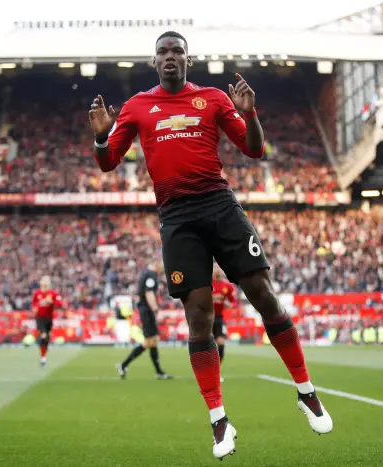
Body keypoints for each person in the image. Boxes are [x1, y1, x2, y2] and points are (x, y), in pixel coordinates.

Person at [88, 31, 333, 460]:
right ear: (154, 61)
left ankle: (306, 390)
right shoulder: (137, 108)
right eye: (163, 52)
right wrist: (101, 138)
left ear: (187, 59)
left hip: (220, 207)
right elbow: (109, 164)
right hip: (177, 219)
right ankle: (219, 421)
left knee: (264, 296)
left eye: (177, 51)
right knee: (199, 317)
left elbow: (254, 149)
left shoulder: (214, 98)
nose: (170, 57)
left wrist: (250, 113)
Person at [116, 261, 173, 380]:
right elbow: (149, 293)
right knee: (149, 341)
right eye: (162, 269)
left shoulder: (145, 274)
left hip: (145, 309)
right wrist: (155, 309)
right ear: (157, 265)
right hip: (147, 310)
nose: (161, 272)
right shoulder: (151, 275)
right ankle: (123, 365)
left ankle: (158, 372)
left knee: (154, 340)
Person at [212, 268, 236, 382]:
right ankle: (206, 373)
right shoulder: (206, 283)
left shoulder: (227, 286)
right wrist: (212, 298)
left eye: (219, 272)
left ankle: (216, 372)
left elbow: (233, 301)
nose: (217, 274)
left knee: (221, 343)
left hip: (218, 318)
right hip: (206, 317)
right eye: (215, 272)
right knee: (206, 345)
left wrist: (228, 303)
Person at [31, 275, 62, 367]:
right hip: (40, 318)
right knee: (44, 336)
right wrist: (36, 308)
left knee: (46, 338)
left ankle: (43, 356)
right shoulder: (37, 294)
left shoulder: (53, 294)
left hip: (49, 319)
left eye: (47, 281)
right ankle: (43, 355)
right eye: (43, 281)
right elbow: (34, 305)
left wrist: (51, 301)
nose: (45, 283)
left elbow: (59, 303)